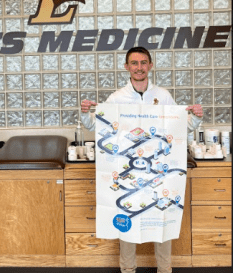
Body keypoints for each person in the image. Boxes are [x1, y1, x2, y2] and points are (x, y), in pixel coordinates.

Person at [80, 46, 203, 273]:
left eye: (143, 62)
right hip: (129, 171)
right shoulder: (117, 98)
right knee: (127, 219)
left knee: (162, 217)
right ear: (126, 67)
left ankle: (165, 270)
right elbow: (97, 127)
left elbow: (177, 129)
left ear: (150, 66)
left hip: (158, 170)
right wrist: (85, 113)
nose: (139, 67)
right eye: (134, 63)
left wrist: (195, 119)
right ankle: (128, 270)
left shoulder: (163, 96)